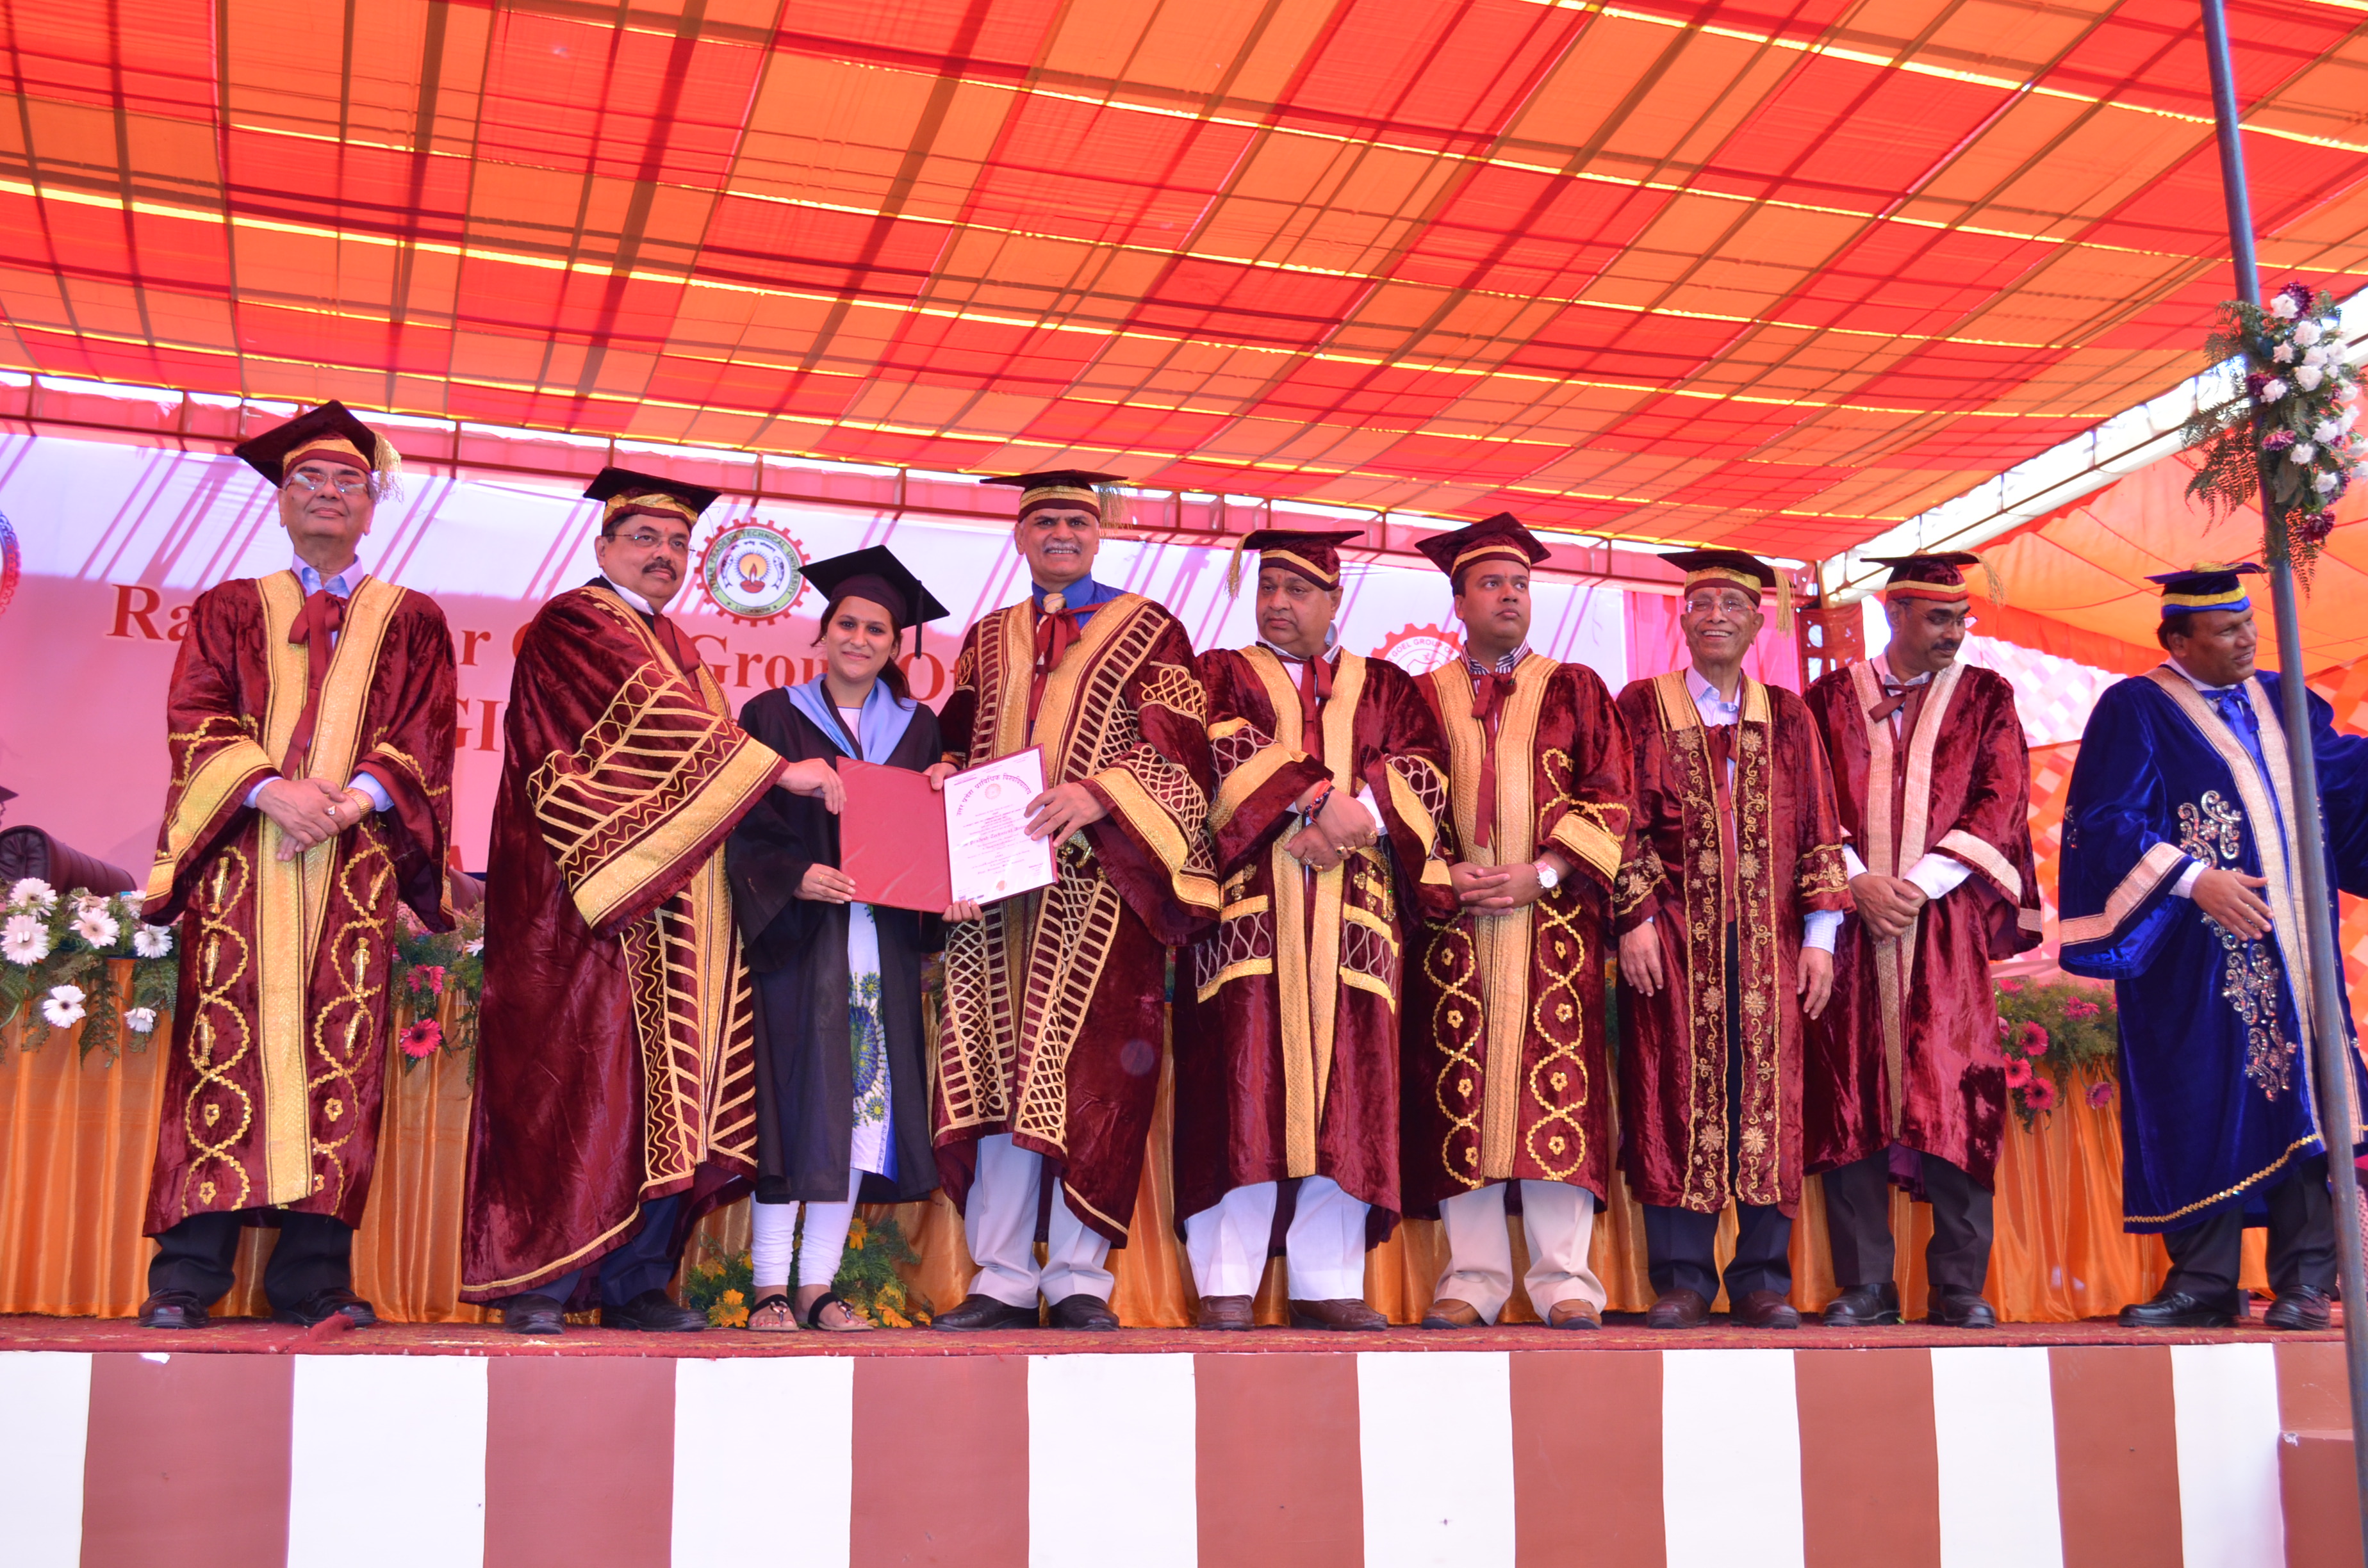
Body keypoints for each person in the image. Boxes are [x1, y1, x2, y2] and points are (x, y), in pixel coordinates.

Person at [459, 468, 841, 1334]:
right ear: (602, 547)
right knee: (580, 1087)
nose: (664, 554)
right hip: (588, 912)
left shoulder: (677, 645)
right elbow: (657, 726)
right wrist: (778, 770)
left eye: (677, 543)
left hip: (681, 913)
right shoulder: (577, 622)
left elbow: (696, 757)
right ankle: (543, 1280)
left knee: (666, 1098)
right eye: (644, 539)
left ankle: (636, 1282)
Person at [136, 402, 457, 1329]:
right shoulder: (231, 607)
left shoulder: (413, 620)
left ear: (371, 506)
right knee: (221, 1044)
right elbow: (195, 715)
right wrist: (271, 790)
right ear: (281, 502)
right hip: (245, 860)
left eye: (348, 480)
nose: (327, 493)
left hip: (353, 868)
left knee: (340, 1055)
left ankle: (313, 1277)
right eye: (307, 479)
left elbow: (426, 736)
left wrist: (350, 803)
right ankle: (188, 1275)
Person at [928, 471, 1219, 1332]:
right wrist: (943, 772)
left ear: (1098, 535)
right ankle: (1002, 1278)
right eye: (1046, 520)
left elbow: (1185, 752)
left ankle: (1080, 1278)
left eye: (1077, 521)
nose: (1062, 533)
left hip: (1099, 892)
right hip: (993, 902)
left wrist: (1099, 793)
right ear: (1021, 535)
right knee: (994, 1073)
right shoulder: (987, 637)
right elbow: (958, 734)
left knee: (1093, 1080)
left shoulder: (1153, 629)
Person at [2060, 562, 2368, 1330]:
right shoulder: (2136, 708)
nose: (2248, 639)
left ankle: (2305, 1283)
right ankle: (2202, 1282)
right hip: (2193, 957)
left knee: (2308, 1097)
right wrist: (2197, 881)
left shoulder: (2285, 700)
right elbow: (2105, 820)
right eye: (2227, 630)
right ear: (2178, 641)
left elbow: (2344, 784)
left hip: (2299, 952)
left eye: (2249, 623)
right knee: (2196, 1100)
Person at [1173, 528, 1455, 1331]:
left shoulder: (1387, 685)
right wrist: (1310, 795)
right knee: (1242, 1085)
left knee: (1349, 1092)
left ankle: (1326, 1280)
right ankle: (1226, 1281)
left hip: (1353, 918)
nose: (1278, 603)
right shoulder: (1220, 673)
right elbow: (1210, 746)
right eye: (1268, 587)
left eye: (1298, 590)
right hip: (1250, 917)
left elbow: (1424, 771)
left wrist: (1348, 822)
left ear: (1335, 600)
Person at [1399, 515, 1633, 1332]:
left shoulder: (1576, 689)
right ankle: (1472, 1279)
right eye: (1492, 583)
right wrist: (1443, 874)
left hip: (1553, 927)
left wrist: (1547, 871)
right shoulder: (1419, 698)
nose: (1510, 596)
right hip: (1456, 929)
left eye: (1521, 584)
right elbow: (1400, 804)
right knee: (1461, 1092)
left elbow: (1612, 796)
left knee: (1555, 1092)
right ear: (1458, 600)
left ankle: (1565, 1280)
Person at [1802, 553, 2041, 1329]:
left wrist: (1919, 886)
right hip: (1849, 925)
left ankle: (1959, 1286)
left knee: (1956, 1087)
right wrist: (1858, 881)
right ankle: (1867, 1285)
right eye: (1939, 618)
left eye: (1962, 618)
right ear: (1894, 612)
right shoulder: (1827, 699)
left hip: (1944, 923)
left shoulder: (1987, 696)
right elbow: (1805, 802)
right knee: (1851, 1094)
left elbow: (2001, 799)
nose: (1955, 632)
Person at [1613, 550, 1848, 1329]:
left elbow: (1817, 824)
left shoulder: (1789, 716)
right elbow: (1617, 819)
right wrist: (1635, 918)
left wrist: (1821, 936)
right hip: (1673, 941)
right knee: (1673, 1091)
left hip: (1772, 945)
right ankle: (1681, 1279)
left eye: (1733, 605)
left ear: (1757, 623)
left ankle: (1761, 1279)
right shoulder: (1641, 707)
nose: (1716, 615)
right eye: (1703, 602)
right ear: (1682, 619)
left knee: (1769, 1101)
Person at [727, 547, 959, 1332]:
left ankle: (818, 1285)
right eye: (847, 625)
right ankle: (769, 1284)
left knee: (863, 1108)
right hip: (797, 940)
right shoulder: (772, 716)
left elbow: (930, 838)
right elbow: (739, 823)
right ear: (822, 633)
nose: (860, 639)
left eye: (877, 630)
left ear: (896, 646)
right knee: (791, 1102)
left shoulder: (918, 728)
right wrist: (793, 875)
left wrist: (950, 877)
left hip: (878, 945)